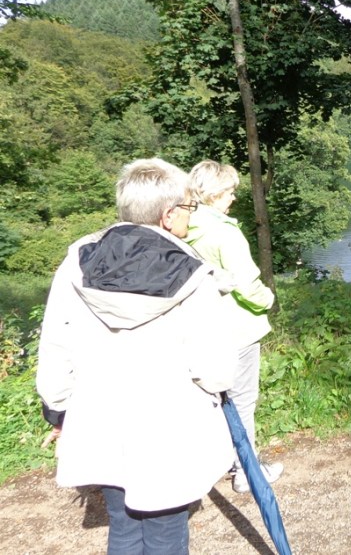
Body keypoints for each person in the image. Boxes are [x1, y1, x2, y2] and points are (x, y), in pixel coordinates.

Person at [36, 158, 238, 555]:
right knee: (166, 536)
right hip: (168, 426)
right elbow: (214, 370)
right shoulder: (193, 274)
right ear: (168, 215)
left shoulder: (78, 260)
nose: (192, 215)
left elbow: (56, 343)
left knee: (124, 528)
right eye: (189, 207)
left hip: (100, 420)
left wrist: (58, 409)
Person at [186, 160, 283, 494]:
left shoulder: (183, 228)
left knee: (214, 400)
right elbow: (246, 284)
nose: (233, 197)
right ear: (214, 194)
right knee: (242, 399)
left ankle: (225, 460)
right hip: (237, 329)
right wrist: (267, 300)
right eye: (229, 191)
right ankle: (246, 470)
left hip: (202, 329)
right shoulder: (224, 232)